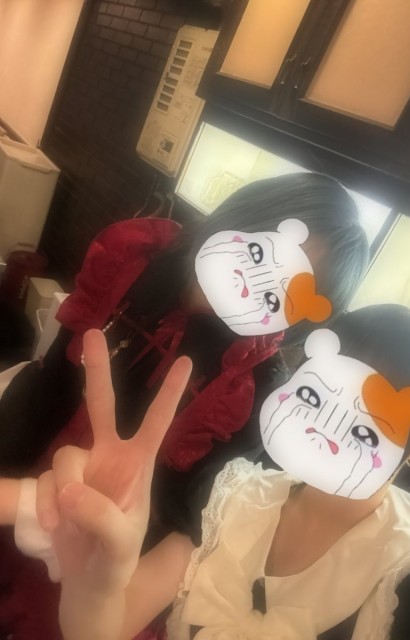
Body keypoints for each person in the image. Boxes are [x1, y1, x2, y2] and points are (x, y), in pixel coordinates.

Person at [0, 173, 369, 640]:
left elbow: (184, 523)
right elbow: (50, 383)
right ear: (241, 220)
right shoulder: (134, 263)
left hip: (96, 564)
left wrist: (98, 593)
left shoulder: (254, 392)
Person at [2, 304, 410, 640]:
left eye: (369, 420)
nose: (330, 426)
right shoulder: (232, 495)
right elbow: (103, 629)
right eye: (316, 394)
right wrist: (94, 587)